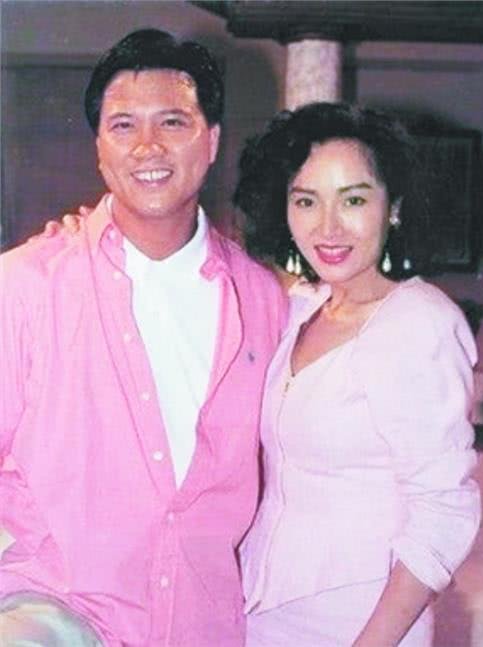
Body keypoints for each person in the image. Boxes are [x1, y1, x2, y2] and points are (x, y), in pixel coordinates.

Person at [0, 29, 287, 646]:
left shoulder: (263, 301)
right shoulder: (25, 286)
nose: (147, 146)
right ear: (100, 150)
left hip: (203, 625)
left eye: (173, 122)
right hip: (60, 613)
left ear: (212, 141)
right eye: (123, 125)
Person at [232, 103, 481, 646]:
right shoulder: (301, 309)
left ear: (394, 208)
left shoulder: (417, 323)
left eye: (354, 200)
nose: (328, 226)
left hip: (362, 620)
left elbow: (444, 512)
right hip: (265, 612)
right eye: (306, 200)